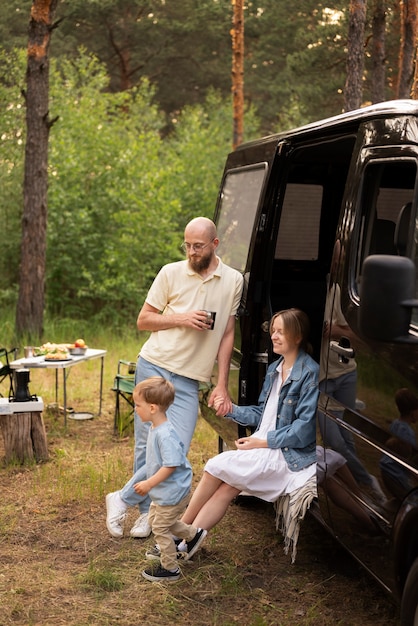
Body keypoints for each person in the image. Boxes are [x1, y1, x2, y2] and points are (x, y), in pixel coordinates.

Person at [106, 217, 244, 539]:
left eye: (198, 246)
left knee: (175, 449)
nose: (192, 253)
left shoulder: (233, 280)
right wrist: (182, 318)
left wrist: (222, 383)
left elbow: (227, 333)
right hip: (156, 365)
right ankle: (144, 514)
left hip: (188, 379)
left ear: (214, 244)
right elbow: (144, 320)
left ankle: (121, 498)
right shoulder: (170, 272)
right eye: (188, 246)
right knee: (148, 444)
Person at [147, 309, 319, 562]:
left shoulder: (309, 372)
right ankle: (188, 536)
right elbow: (263, 414)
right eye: (273, 330)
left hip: (286, 454)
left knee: (216, 465)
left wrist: (262, 441)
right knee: (227, 486)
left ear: (298, 336)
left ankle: (180, 532)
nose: (274, 336)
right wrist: (231, 410)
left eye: (281, 331)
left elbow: (304, 431)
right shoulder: (275, 369)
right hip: (265, 446)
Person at [318, 240, 386, 503]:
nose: (336, 265)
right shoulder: (318, 292)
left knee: (349, 436)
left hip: (345, 373)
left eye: (339, 261)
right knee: (334, 441)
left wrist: (334, 330)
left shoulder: (340, 291)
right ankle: (368, 483)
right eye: (333, 260)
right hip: (320, 379)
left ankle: (360, 489)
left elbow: (355, 336)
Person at [129, 377, 207, 582]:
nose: (135, 409)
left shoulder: (165, 434)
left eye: (138, 405)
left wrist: (148, 483)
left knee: (160, 527)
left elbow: (170, 466)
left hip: (173, 490)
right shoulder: (156, 428)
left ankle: (170, 568)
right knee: (157, 519)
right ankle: (192, 534)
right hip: (165, 491)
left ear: (152, 408)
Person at [379, 388, 418, 499]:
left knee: (401, 498)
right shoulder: (408, 433)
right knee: (413, 499)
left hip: (385, 470)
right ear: (412, 413)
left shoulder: (395, 424)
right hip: (396, 475)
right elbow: (407, 462)